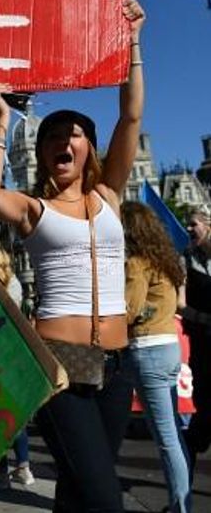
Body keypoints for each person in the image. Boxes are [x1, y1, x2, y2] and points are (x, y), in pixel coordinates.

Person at [0, 0, 146, 511]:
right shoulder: (34, 210)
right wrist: (2, 120)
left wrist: (133, 39)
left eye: (73, 134)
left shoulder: (109, 195)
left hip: (118, 364)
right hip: (60, 364)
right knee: (103, 499)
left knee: (77, 493)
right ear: (44, 154)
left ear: (90, 148)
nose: (62, 142)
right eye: (51, 137)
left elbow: (131, 112)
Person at [120, 202, 191, 511]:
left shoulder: (137, 263)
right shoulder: (166, 261)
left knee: (165, 438)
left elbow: (128, 310)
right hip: (169, 346)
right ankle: (180, 502)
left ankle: (180, 506)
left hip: (147, 349)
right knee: (174, 432)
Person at [0, 235, 36, 488]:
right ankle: (24, 466)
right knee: (14, 412)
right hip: (14, 353)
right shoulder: (13, 283)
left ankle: (2, 471)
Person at [182, 204, 211, 473]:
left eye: (193, 224)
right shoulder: (186, 260)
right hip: (203, 349)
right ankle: (181, 500)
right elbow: (180, 306)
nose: (188, 229)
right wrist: (202, 318)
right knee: (201, 423)